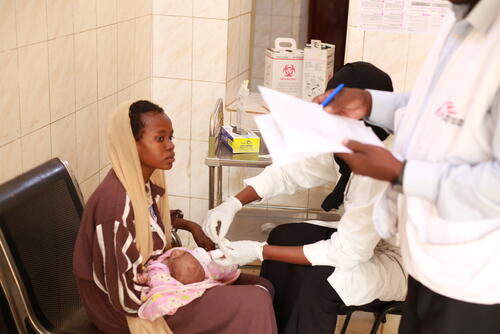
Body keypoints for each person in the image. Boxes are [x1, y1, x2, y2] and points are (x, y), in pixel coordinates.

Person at [315, 1, 500, 333]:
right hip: (426, 264)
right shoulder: (458, 20)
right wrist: (371, 102)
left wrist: (400, 173)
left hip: (474, 280)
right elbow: (436, 108)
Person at [204, 62, 407, 334]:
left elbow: (348, 252)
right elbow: (290, 173)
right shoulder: (348, 141)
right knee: (284, 237)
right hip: (366, 240)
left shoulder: (381, 167)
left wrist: (257, 251)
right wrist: (233, 203)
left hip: (401, 261)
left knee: (321, 281)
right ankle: (270, 328)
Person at [73, 100, 277, 334]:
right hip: (129, 311)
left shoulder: (141, 184)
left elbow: (148, 222)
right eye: (160, 139)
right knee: (253, 303)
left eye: (170, 137)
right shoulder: (115, 207)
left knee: (262, 285)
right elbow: (124, 297)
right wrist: (180, 289)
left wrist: (190, 226)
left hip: (158, 281)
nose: (170, 146)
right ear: (131, 145)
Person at [137, 247, 241, 320]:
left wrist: (144, 278)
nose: (177, 253)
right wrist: (219, 253)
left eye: (177, 258)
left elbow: (154, 279)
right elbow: (207, 255)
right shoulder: (196, 256)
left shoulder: (161, 272)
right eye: (183, 254)